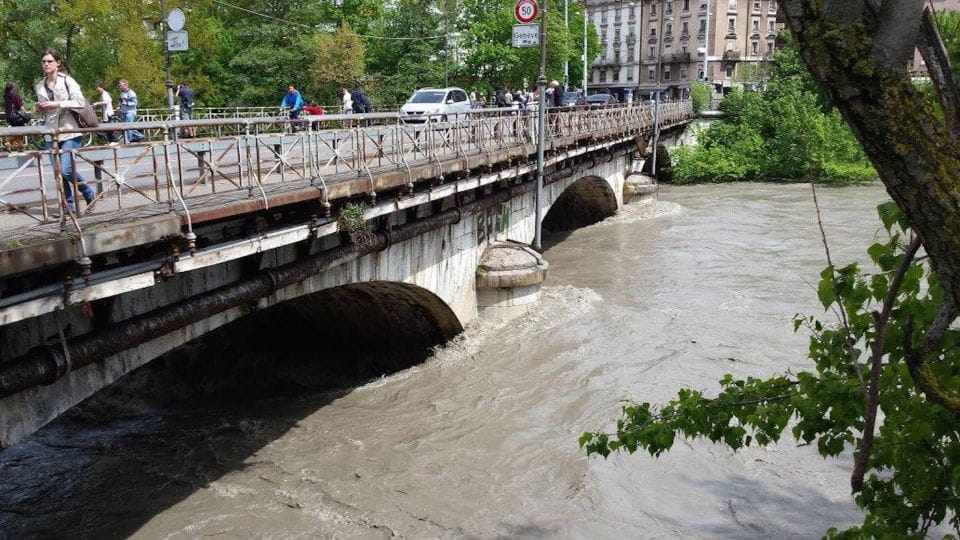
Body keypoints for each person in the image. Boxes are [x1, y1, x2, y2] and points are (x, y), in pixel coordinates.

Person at [35, 48, 96, 213]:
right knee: (58, 174)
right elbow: (45, 109)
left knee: (65, 169)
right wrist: (40, 108)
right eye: (44, 61)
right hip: (51, 133)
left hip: (70, 131)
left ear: (58, 63)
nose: (46, 64)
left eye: (49, 61)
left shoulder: (67, 81)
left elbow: (79, 102)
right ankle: (69, 207)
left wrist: (57, 104)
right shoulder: (40, 86)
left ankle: (87, 191)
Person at [4, 82, 29, 152]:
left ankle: (20, 147)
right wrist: (25, 113)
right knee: (20, 130)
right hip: (17, 117)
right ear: (13, 87)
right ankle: (9, 143)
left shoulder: (6, 95)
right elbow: (20, 105)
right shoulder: (14, 94)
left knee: (17, 130)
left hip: (10, 116)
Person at [118, 79, 144, 143]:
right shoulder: (122, 93)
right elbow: (122, 101)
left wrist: (127, 103)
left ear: (126, 85)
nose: (120, 87)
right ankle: (139, 136)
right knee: (126, 126)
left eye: (121, 85)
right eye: (119, 86)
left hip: (130, 112)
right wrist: (119, 106)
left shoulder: (131, 93)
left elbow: (135, 103)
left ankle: (128, 140)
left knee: (128, 126)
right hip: (124, 111)